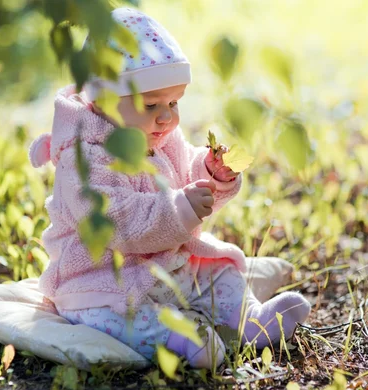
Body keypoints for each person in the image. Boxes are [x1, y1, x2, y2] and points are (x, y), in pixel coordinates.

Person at [28, 7, 310, 369]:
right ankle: (177, 341)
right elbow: (114, 219)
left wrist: (210, 174)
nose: (167, 117)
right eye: (152, 104)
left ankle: (251, 321)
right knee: (117, 319)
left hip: (167, 265)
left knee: (218, 271)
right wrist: (179, 209)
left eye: (174, 103)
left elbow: (184, 174)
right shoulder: (84, 158)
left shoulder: (160, 135)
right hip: (103, 281)